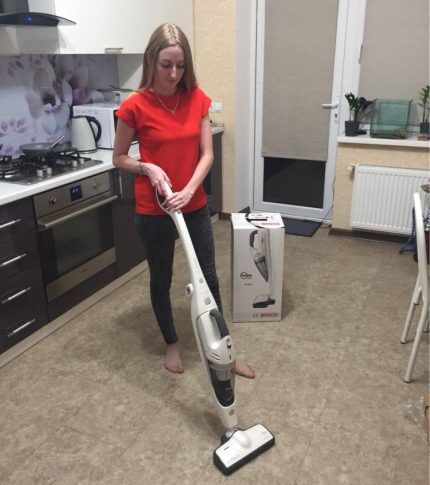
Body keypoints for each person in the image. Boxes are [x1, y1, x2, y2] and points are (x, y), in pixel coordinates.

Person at [113, 23, 255, 379]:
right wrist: (146, 167)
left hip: (191, 204)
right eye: (166, 65)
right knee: (162, 277)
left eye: (180, 65)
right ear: (151, 60)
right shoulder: (134, 105)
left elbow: (206, 154)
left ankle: (224, 352)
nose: (174, 74)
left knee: (209, 277)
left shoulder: (197, 98)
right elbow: (119, 158)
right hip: (154, 210)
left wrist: (191, 189)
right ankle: (172, 342)